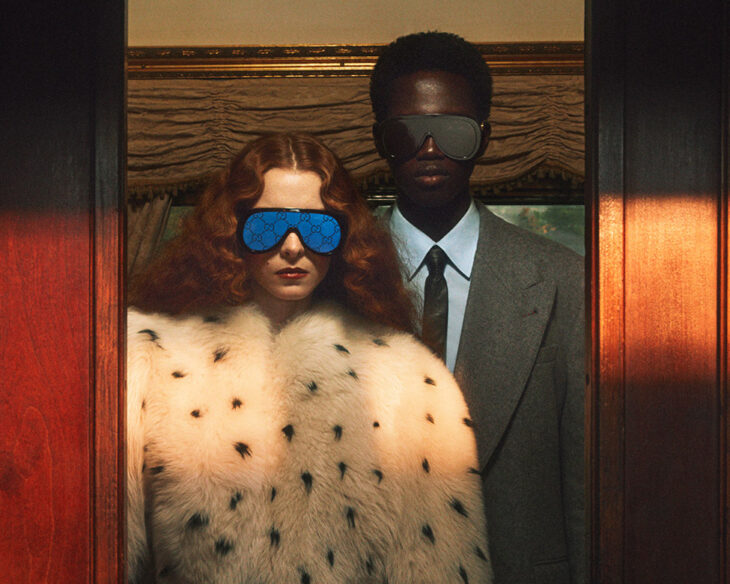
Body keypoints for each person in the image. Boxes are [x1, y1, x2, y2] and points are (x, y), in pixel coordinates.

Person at [126, 133, 493, 584]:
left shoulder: (408, 378)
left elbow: (438, 565)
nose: (293, 246)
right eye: (267, 225)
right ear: (232, 230)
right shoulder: (151, 360)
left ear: (343, 237)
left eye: (318, 226)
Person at [370, 33, 585, 584]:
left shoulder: (562, 278)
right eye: (407, 131)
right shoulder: (334, 274)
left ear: (484, 139)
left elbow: (585, 477)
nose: (430, 148)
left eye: (454, 130)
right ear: (381, 140)